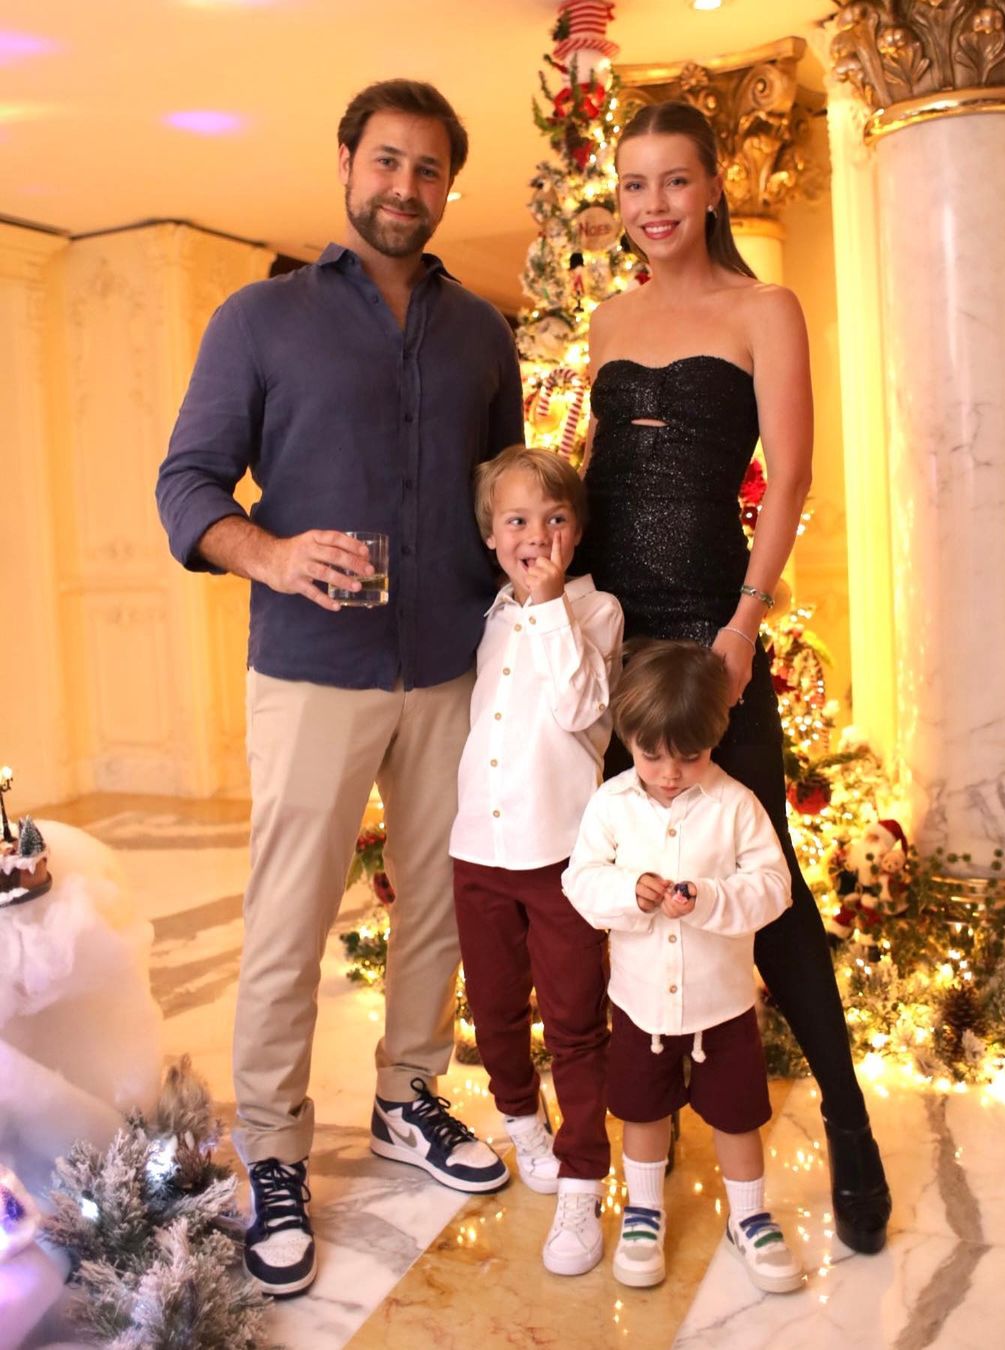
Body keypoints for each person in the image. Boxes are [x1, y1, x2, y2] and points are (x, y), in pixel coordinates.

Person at [156, 79, 524, 1297]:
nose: (405, 187)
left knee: (441, 903)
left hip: (454, 664)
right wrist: (268, 553)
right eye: (386, 162)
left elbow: (503, 495)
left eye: (428, 169)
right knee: (289, 917)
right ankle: (271, 1152)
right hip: (313, 670)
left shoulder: (482, 334)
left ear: (448, 185)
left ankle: (410, 1096)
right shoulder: (260, 320)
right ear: (347, 166)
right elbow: (188, 484)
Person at [578, 99, 891, 1255]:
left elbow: (791, 475)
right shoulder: (608, 320)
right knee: (624, 864)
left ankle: (850, 1127)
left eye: (674, 181)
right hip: (617, 637)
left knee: (773, 877)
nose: (653, 205)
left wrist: (748, 620)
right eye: (634, 185)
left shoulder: (766, 309)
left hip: (714, 633)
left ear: (712, 186)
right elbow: (596, 479)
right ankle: (637, 1146)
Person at [563, 640, 802, 1292]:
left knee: (738, 1116)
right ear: (629, 740)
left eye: (689, 757)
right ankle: (644, 1212)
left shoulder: (736, 806)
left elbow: (774, 887)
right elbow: (581, 881)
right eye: (652, 756)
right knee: (641, 1112)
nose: (669, 773)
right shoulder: (611, 805)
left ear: (714, 739)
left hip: (722, 1005)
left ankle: (748, 1217)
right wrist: (628, 893)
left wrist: (712, 899)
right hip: (640, 1003)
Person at [449, 445, 623, 1276]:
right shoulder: (487, 617)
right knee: (493, 1010)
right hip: (477, 851)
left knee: (576, 1021)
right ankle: (522, 1121)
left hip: (561, 857)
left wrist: (550, 604)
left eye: (555, 519)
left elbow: (582, 707)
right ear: (491, 534)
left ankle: (584, 1181)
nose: (536, 536)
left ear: (576, 532)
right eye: (516, 520)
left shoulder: (597, 612)